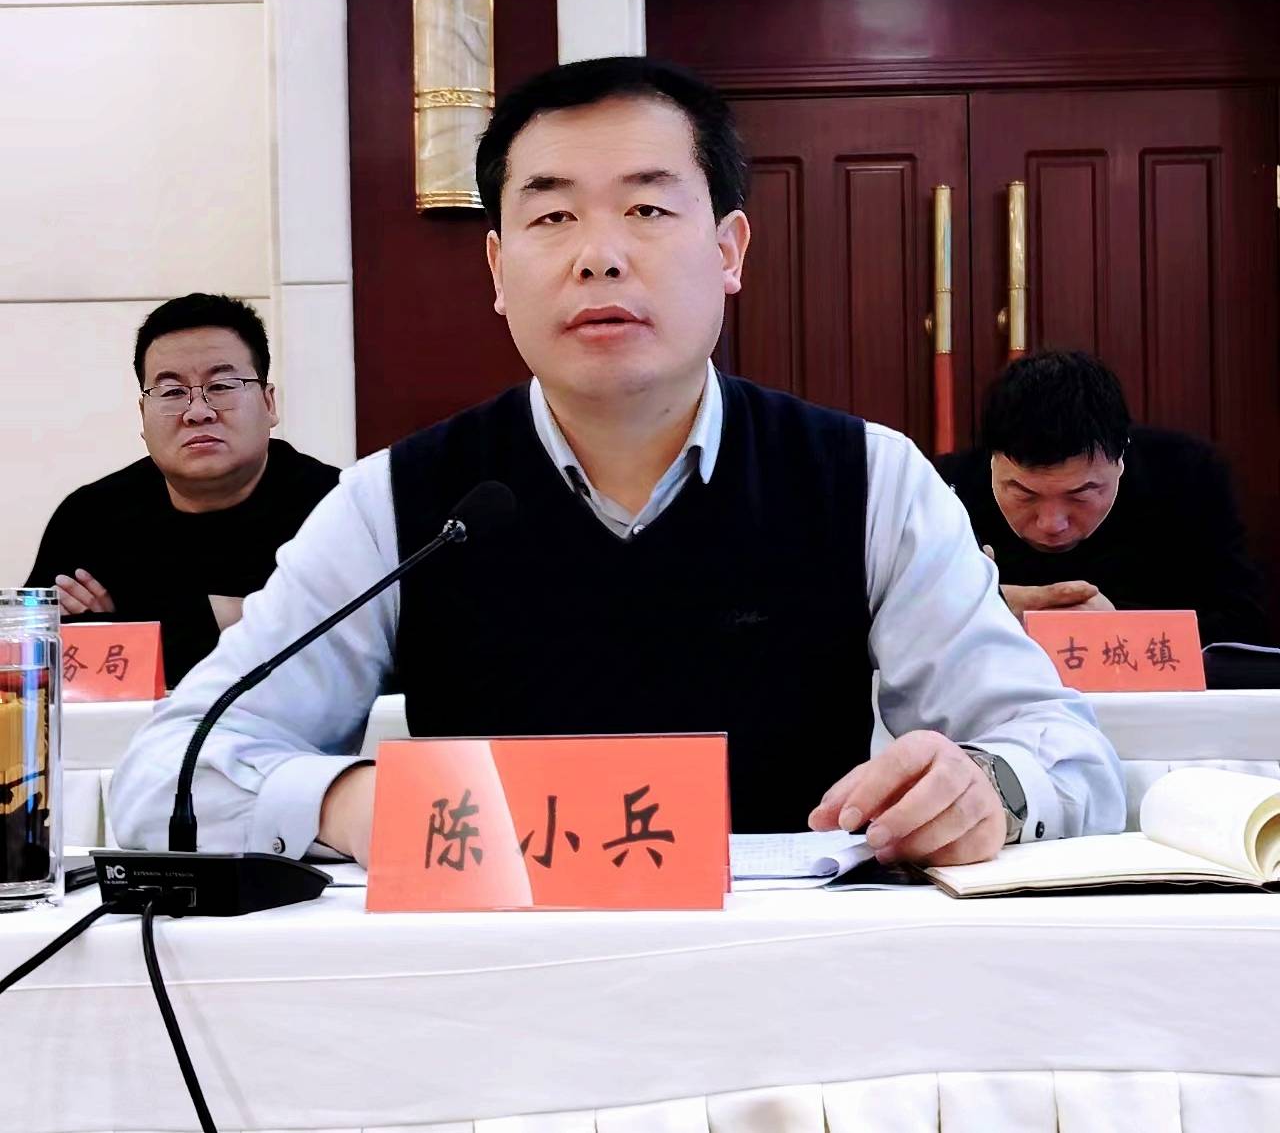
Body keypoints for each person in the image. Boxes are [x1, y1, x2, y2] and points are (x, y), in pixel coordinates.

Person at [111, 60, 1123, 866]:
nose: (598, 254)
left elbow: (1071, 759)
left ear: (728, 250)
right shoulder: (396, 502)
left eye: (646, 209)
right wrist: (347, 799)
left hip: (790, 990)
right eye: (552, 215)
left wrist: (983, 792)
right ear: (498, 269)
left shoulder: (869, 481)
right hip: (489, 989)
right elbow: (164, 775)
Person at [27, 294, 339, 684]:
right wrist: (229, 617)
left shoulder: (336, 509)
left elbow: (346, 649)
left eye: (221, 386)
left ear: (268, 402)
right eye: (173, 392)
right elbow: (34, 657)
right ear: (143, 414)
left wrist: (127, 627)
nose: (198, 412)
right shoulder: (90, 517)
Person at [936, 350, 1268, 645]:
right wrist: (979, 609)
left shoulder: (1187, 476)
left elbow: (1245, 630)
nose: (1052, 524)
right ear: (993, 461)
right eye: (1024, 494)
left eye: (1081, 494)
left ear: (1121, 457)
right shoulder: (943, 490)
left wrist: (1120, 626)